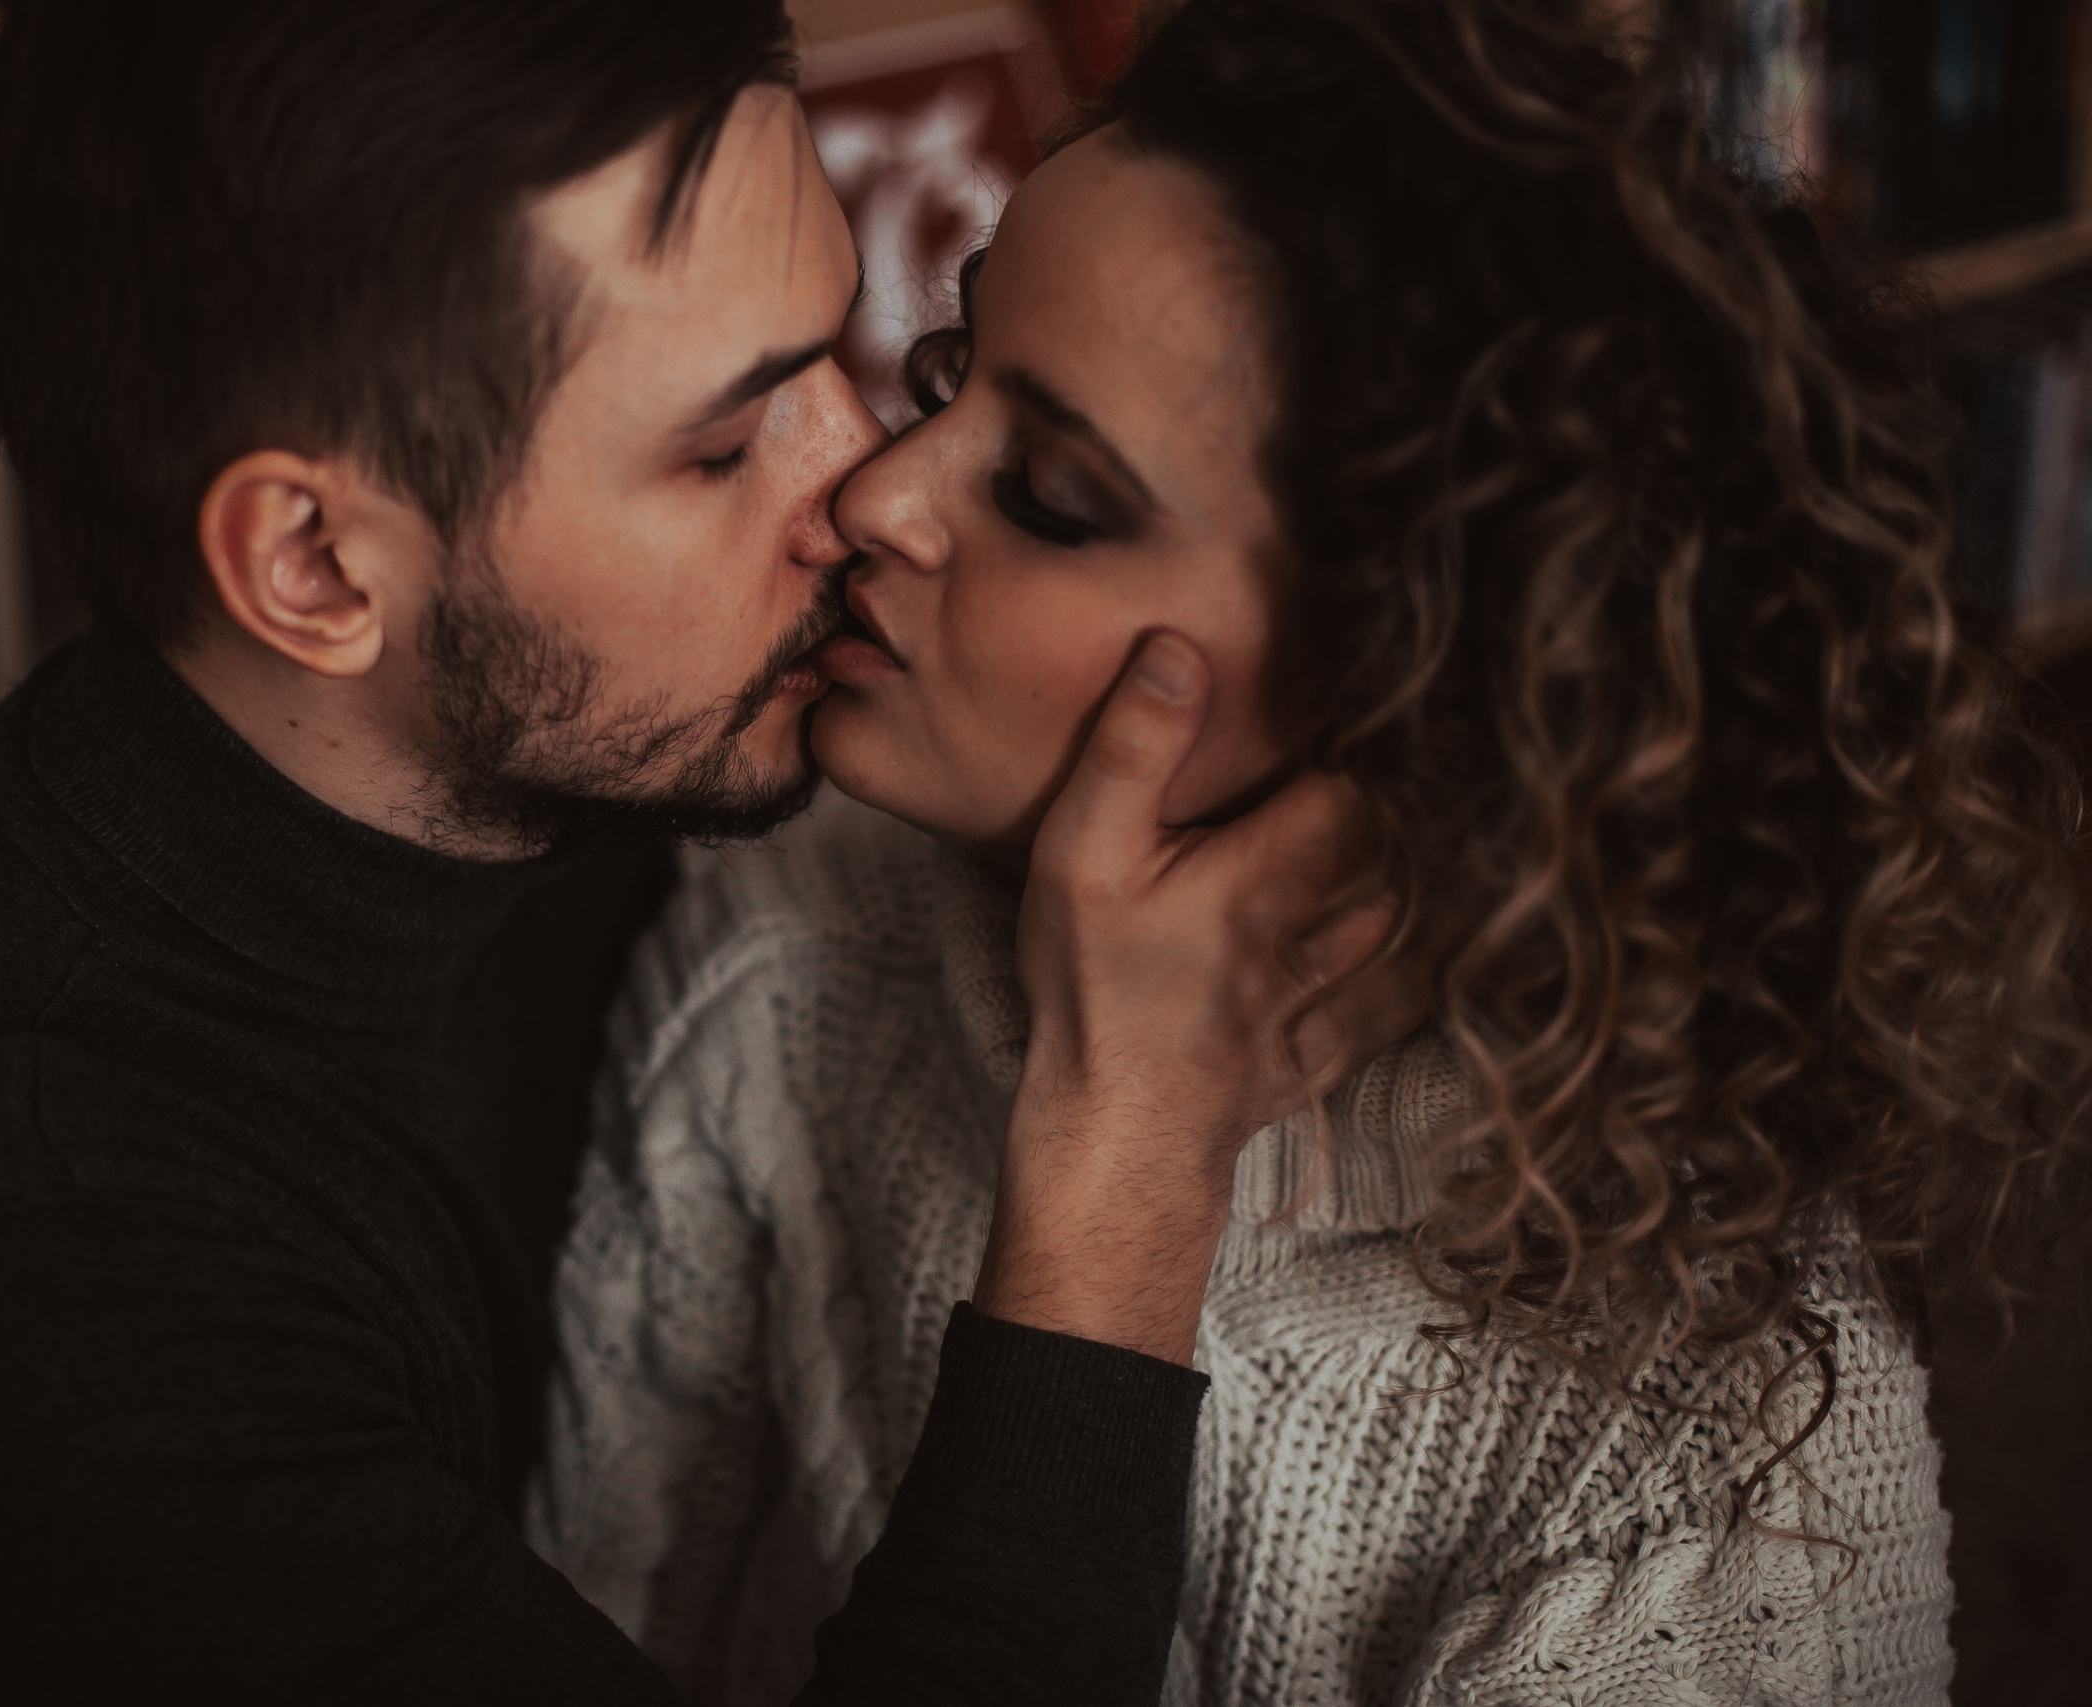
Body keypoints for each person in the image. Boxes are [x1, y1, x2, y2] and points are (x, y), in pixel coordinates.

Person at [0, 1, 1419, 1700]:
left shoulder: (535, 779)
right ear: (317, 568)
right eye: (716, 445)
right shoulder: (25, 1295)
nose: (851, 484)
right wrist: (1129, 1166)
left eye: (834, 348)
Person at [527, 1, 2092, 1702]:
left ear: (1429, 706)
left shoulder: (1708, 1459)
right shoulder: (791, 907)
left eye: (1050, 493)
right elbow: (600, 1616)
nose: (879, 495)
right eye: (958, 370)